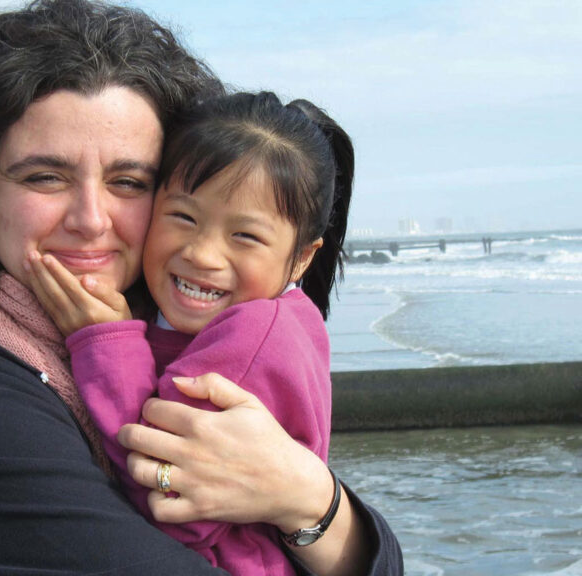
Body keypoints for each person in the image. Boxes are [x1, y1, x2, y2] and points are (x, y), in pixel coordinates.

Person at [0, 1, 402, 574]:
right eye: (45, 177)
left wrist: (305, 495)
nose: (92, 219)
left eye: (129, 180)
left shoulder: (169, 338)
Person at [25, 91, 353, 575]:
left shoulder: (254, 334)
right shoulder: (227, 313)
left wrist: (105, 340)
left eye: (245, 236)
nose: (202, 253)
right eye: (183, 217)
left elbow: (173, 499)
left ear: (303, 257)